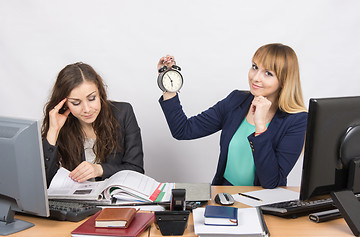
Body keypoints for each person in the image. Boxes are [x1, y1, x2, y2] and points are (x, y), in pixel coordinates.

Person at [157, 43, 307, 188]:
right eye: (255, 67)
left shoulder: (297, 120)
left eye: (268, 73)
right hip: (225, 195)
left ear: (284, 80)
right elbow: (183, 130)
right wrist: (169, 84)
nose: (255, 77)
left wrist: (260, 126)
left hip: (264, 204)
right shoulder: (236, 100)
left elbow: (271, 182)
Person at [42, 62, 144, 187]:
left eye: (91, 99)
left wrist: (99, 169)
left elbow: (136, 170)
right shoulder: (61, 124)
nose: (87, 109)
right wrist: (53, 131)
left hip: (115, 200)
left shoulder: (123, 113)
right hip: (77, 202)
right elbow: (46, 183)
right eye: (76, 103)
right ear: (65, 103)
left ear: (100, 93)